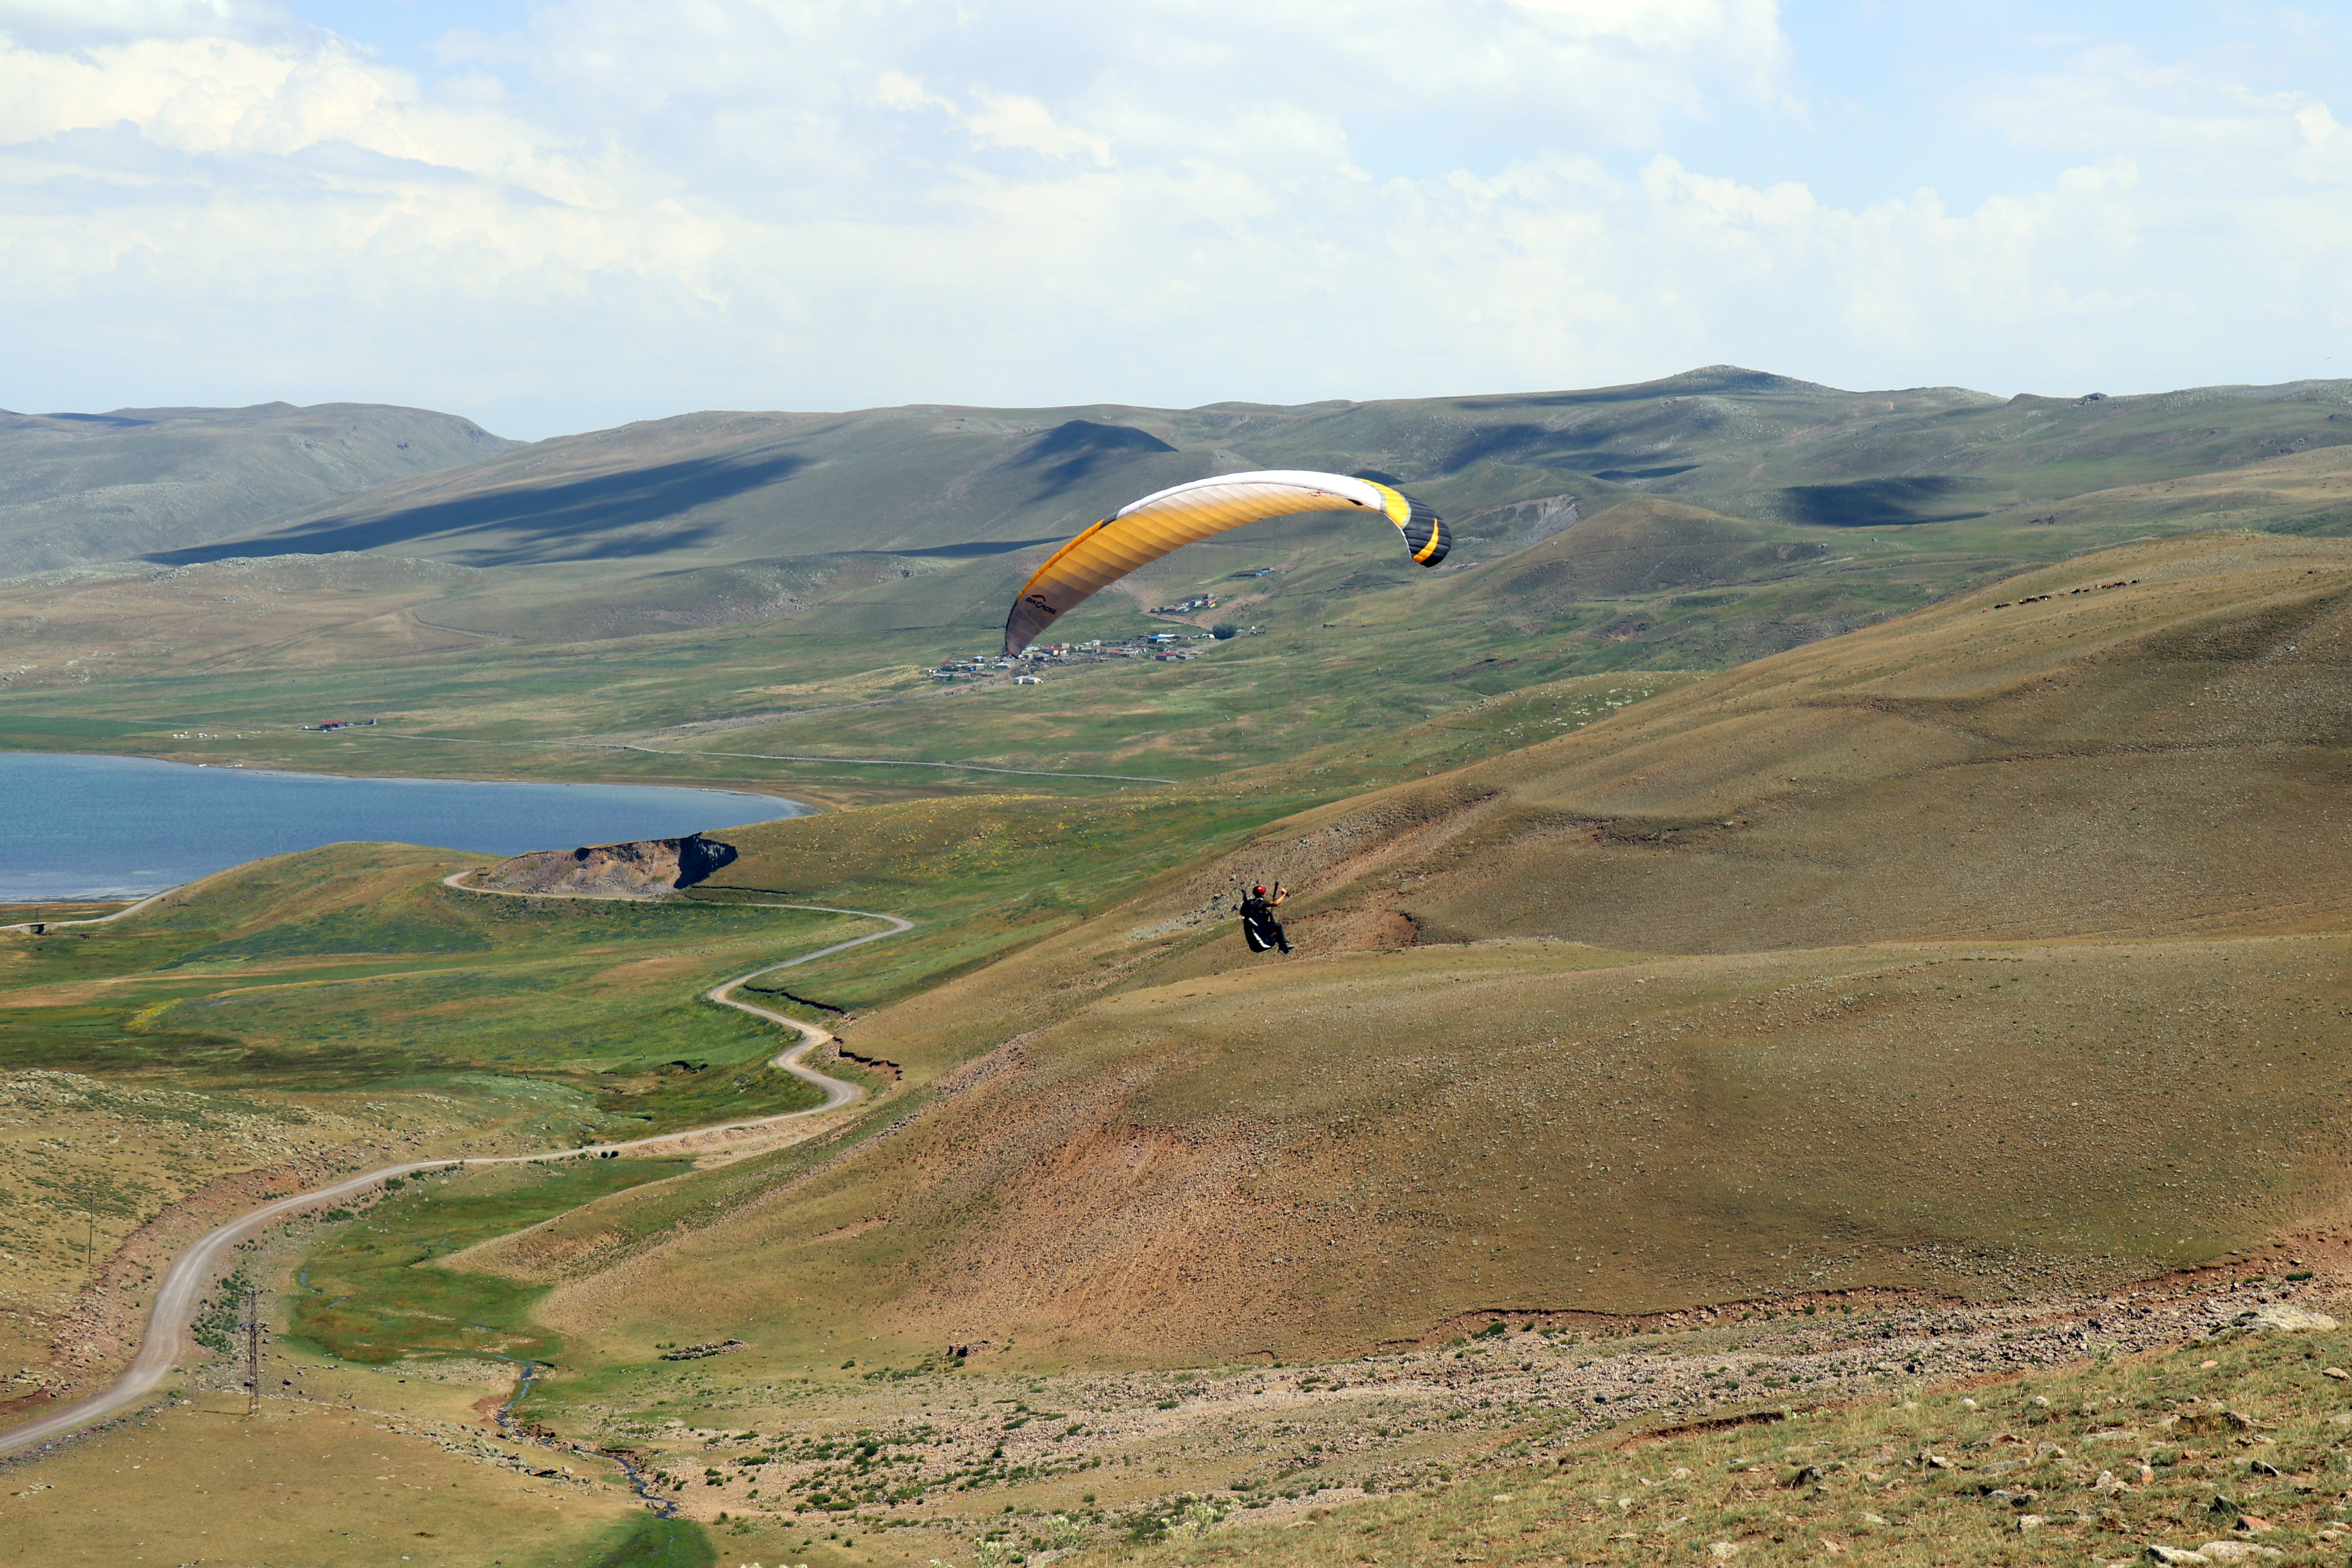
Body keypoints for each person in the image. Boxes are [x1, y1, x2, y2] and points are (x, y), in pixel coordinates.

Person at [1238, 881, 1291, 954]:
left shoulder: (1248, 904)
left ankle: (1284, 944)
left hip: (1254, 946)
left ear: (1254, 893)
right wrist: (1284, 895)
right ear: (1263, 894)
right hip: (1265, 942)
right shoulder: (1262, 902)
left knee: (1272, 927)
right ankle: (1283, 946)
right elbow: (1275, 904)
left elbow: (1242, 913)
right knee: (1278, 926)